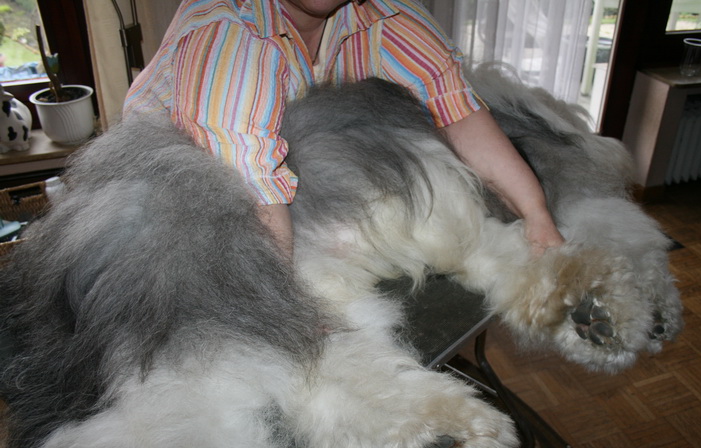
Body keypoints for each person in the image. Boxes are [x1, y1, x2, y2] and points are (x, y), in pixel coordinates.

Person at [125, 0, 565, 259]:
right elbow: (246, 183)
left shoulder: (387, 17)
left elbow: (457, 113)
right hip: (167, 207)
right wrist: (288, 303)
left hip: (275, 186)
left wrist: (536, 216)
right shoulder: (228, 32)